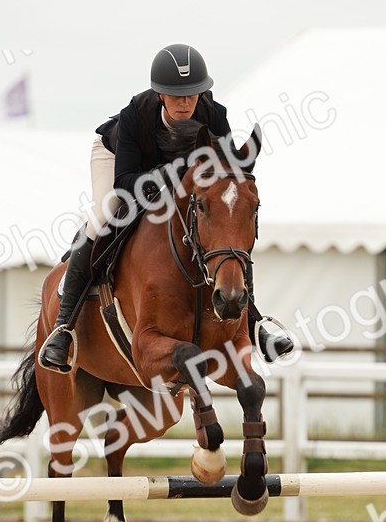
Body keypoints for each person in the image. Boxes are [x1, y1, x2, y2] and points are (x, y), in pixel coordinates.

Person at [38, 43, 293, 373]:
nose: (185, 103)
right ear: (160, 94)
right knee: (104, 214)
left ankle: (256, 327)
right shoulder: (134, 117)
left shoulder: (215, 116)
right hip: (120, 163)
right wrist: (175, 176)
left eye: (193, 94)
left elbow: (225, 177)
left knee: (226, 229)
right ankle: (63, 327)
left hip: (179, 176)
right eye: (176, 95)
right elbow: (127, 184)